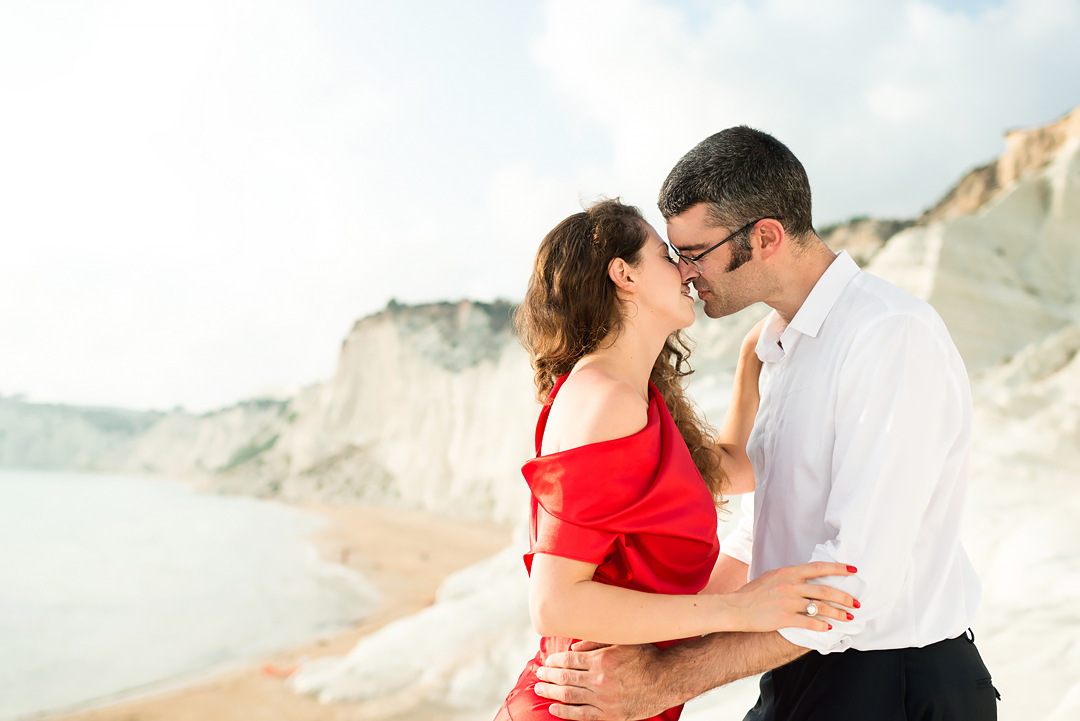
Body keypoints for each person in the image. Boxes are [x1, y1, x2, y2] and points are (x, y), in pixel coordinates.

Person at [533, 128, 1000, 720]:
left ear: (766, 237)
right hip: (796, 667)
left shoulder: (888, 334)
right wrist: (642, 643)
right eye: (673, 255)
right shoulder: (782, 347)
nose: (685, 273)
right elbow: (762, 536)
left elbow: (856, 582)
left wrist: (665, 681)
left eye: (695, 253)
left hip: (892, 683)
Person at [494, 198, 859, 721]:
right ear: (624, 275)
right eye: (667, 256)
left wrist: (749, 366)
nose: (686, 270)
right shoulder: (604, 399)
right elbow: (554, 604)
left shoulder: (638, 397)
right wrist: (739, 609)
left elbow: (736, 469)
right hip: (579, 704)